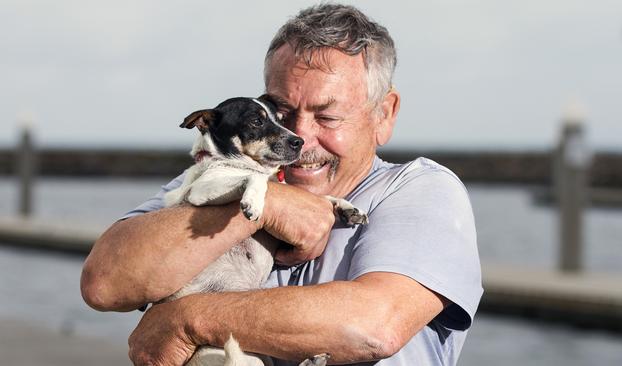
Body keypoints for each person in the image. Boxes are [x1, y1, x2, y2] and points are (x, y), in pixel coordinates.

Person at [80, 3, 482, 366]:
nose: (299, 137)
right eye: (281, 112)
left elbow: (373, 327)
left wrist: (187, 320)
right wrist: (266, 204)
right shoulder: (231, 176)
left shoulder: (420, 190)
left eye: (327, 117)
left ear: (384, 114)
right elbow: (104, 283)